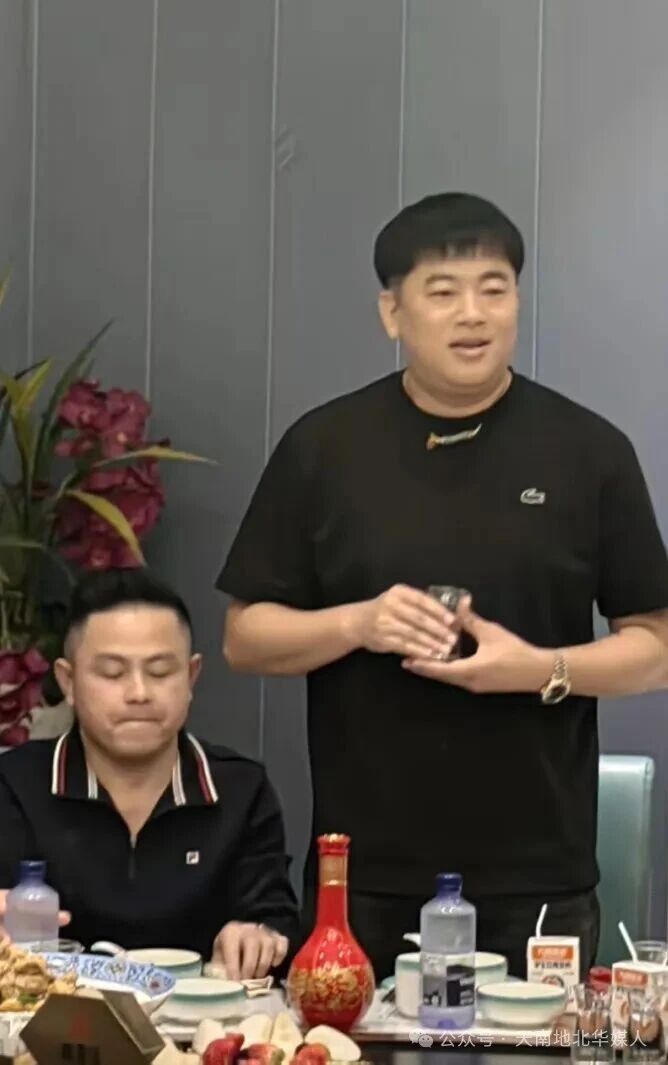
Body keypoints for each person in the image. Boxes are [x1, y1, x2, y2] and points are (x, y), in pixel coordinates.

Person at [216, 192, 668, 980]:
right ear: (392, 312)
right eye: (443, 291)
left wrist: (538, 669)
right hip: (364, 869)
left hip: (538, 871)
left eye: (495, 288)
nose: (473, 313)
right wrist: (358, 622)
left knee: (541, 1043)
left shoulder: (589, 451)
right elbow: (244, 637)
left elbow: (656, 648)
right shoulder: (324, 446)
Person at [0, 569, 299, 979]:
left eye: (159, 672)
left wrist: (258, 936)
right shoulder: (14, 785)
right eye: (112, 673)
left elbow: (275, 919)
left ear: (191, 677)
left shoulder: (240, 790)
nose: (139, 693)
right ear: (68, 681)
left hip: (205, 1015)